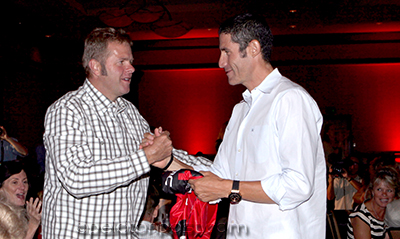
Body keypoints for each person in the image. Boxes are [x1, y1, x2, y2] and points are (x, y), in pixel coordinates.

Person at [42, 27, 211, 239]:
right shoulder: (68, 109)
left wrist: (223, 171)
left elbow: (164, 156)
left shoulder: (129, 112)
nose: (131, 68)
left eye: (130, 61)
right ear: (95, 66)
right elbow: (76, 177)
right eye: (121, 62)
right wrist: (147, 157)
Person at [186, 13, 326, 238]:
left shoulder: (290, 99)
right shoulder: (241, 110)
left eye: (226, 51)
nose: (221, 62)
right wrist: (167, 159)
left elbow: (298, 185)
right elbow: (218, 176)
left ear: (253, 48)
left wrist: (228, 188)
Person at [347, 166, 400, 239]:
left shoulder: (392, 212)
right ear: (372, 191)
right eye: (379, 189)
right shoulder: (361, 216)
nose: (384, 194)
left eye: (389, 190)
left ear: (394, 194)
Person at [0, 161, 42, 239]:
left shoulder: (22, 213)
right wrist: (32, 225)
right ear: (1, 188)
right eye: (15, 182)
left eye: (24, 182)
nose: (22, 187)